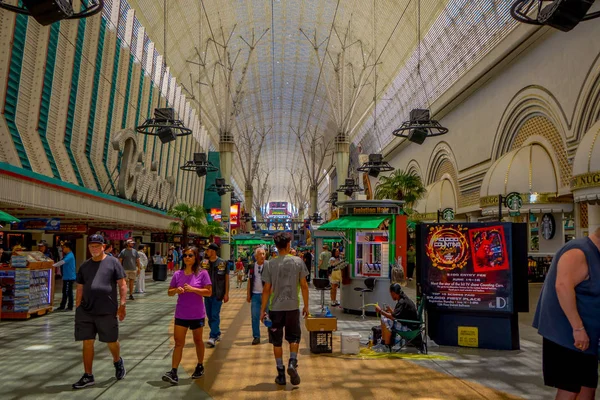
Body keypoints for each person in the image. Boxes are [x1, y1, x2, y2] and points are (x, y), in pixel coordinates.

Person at [533, 227, 600, 400]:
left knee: (588, 385)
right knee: (570, 388)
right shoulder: (579, 252)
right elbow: (562, 286)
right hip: (568, 334)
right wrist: (578, 328)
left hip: (587, 335)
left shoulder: (595, 254)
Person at [72, 234, 127, 389]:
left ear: (104, 247)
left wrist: (122, 304)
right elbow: (80, 287)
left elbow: (122, 284)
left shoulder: (113, 262)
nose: (93, 249)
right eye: (91, 246)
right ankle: (88, 375)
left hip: (106, 310)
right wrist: (77, 307)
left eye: (97, 246)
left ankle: (117, 360)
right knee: (87, 342)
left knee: (111, 341)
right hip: (86, 310)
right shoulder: (85, 266)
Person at [260, 232, 309, 387]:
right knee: (294, 338)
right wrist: (306, 306)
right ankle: (292, 363)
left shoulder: (270, 264)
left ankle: (281, 374)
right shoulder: (298, 261)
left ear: (276, 246)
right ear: (288, 245)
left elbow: (267, 289)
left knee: (277, 341)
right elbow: (304, 285)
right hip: (293, 307)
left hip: (275, 309)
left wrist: (262, 310)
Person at [162, 246, 212, 385]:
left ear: (196, 257)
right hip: (181, 313)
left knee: (198, 340)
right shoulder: (178, 274)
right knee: (179, 343)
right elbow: (169, 292)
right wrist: (176, 290)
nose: (187, 258)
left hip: (197, 314)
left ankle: (200, 365)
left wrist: (193, 289)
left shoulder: (203, 274)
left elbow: (208, 292)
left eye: (190, 255)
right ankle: (173, 371)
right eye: (185, 255)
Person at [373, 283, 419, 352]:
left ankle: (386, 345)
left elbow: (393, 317)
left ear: (393, 293)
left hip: (409, 328)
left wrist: (380, 311)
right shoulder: (404, 299)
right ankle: (383, 343)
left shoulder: (402, 302)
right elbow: (397, 314)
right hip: (410, 325)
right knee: (385, 318)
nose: (391, 296)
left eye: (391, 294)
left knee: (385, 320)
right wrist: (390, 310)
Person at [203, 243, 229, 348]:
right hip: (207, 294)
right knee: (209, 316)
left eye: (207, 250)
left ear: (213, 251)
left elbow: (226, 279)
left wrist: (226, 293)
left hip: (218, 294)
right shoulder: (204, 263)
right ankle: (217, 332)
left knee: (214, 315)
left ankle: (212, 336)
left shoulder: (223, 263)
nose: (206, 252)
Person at [247, 247, 266, 345]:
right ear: (256, 256)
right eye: (260, 254)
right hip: (255, 295)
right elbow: (249, 281)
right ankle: (256, 336)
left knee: (270, 316)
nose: (262, 256)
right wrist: (248, 295)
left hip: (266, 295)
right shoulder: (251, 267)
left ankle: (272, 334)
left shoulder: (269, 266)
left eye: (263, 254)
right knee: (254, 316)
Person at [54, 241, 76, 311]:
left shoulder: (70, 255)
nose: (63, 249)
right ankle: (63, 306)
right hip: (67, 277)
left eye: (64, 247)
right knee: (66, 292)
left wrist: (53, 265)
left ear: (68, 248)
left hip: (69, 277)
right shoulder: (67, 255)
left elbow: (62, 262)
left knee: (68, 292)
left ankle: (69, 306)